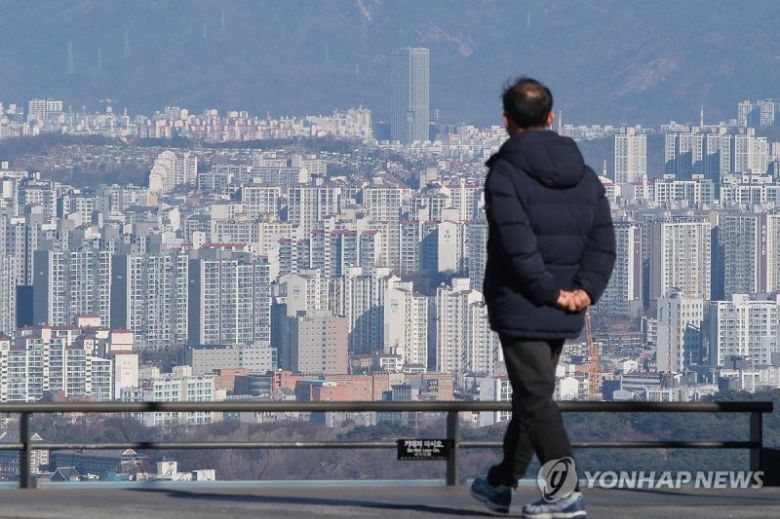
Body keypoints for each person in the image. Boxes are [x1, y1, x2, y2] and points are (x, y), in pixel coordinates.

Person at [470, 77, 616, 517]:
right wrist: (583, 292)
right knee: (530, 397)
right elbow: (603, 241)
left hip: (523, 304)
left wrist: (551, 293)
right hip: (565, 304)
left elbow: (518, 248)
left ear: (507, 122)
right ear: (551, 117)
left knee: (534, 399)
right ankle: (501, 483)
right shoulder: (586, 175)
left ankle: (564, 491)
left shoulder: (505, 174)